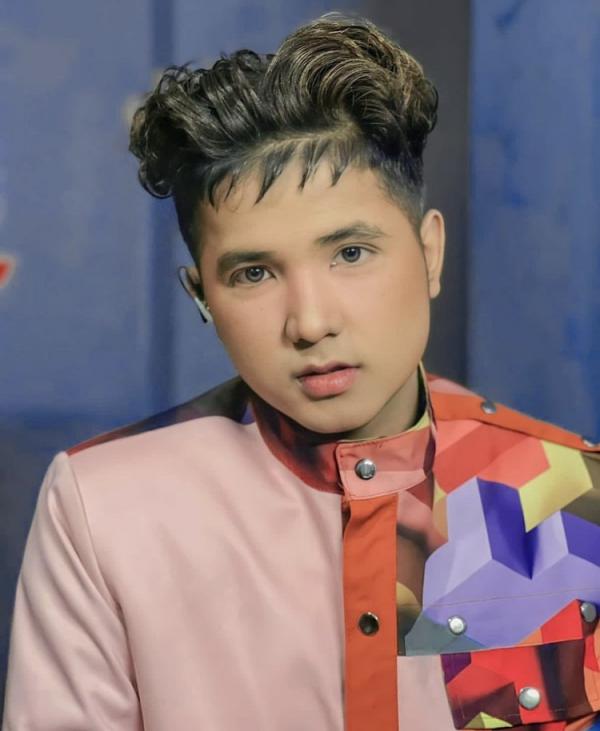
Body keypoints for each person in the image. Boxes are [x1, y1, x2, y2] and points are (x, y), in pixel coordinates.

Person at [3, 13, 600, 731]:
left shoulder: (566, 493)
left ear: (429, 254)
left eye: (350, 253)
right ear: (201, 297)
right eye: (254, 273)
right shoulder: (105, 506)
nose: (310, 322)